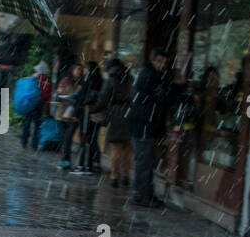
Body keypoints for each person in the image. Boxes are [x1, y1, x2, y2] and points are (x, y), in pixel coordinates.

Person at [127, 47, 174, 207]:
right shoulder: (149, 76)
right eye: (159, 62)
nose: (162, 65)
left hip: (145, 126)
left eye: (164, 62)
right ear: (153, 61)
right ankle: (142, 195)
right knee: (144, 162)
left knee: (145, 162)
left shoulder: (152, 76)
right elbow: (160, 98)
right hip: (143, 126)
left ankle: (145, 194)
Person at [96, 57, 134, 188]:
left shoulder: (110, 80)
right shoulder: (129, 78)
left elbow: (103, 99)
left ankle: (114, 176)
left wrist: (94, 109)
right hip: (130, 113)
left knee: (116, 147)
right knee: (127, 147)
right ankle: (126, 176)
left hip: (116, 113)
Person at [72, 61, 103, 175]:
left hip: (87, 113)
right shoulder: (98, 81)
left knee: (85, 139)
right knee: (91, 140)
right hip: (94, 115)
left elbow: (83, 97)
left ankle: (82, 165)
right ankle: (89, 165)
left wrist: (78, 110)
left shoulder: (89, 81)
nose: (84, 70)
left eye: (85, 68)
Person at [54, 62, 83, 169]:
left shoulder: (82, 84)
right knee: (66, 138)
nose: (79, 72)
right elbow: (57, 96)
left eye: (80, 70)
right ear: (72, 70)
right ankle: (66, 160)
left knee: (68, 137)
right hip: (62, 114)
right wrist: (59, 93)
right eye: (77, 69)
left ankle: (65, 160)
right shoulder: (65, 81)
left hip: (74, 115)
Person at [20, 61, 52, 151]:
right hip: (40, 104)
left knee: (27, 122)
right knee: (37, 125)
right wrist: (48, 112)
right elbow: (47, 99)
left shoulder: (31, 78)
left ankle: (24, 141)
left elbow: (25, 91)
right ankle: (34, 145)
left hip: (30, 103)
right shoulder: (47, 82)